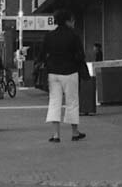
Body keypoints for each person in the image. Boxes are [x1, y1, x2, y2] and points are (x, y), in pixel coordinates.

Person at [37, 9, 86, 143]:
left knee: (54, 102)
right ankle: (75, 133)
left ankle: (56, 135)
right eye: (72, 20)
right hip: (70, 72)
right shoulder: (74, 36)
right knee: (72, 102)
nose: (73, 22)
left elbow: (42, 54)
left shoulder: (49, 36)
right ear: (67, 21)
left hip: (53, 73)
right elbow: (80, 55)